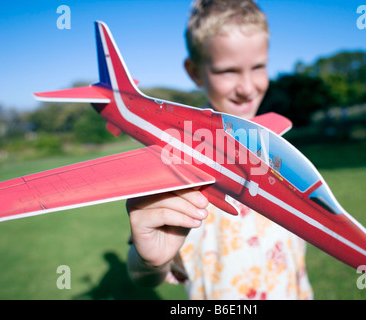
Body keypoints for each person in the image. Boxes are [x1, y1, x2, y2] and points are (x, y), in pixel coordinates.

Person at [126, 0, 313, 299]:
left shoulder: (278, 145)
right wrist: (150, 260)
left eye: (258, 67)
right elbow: (141, 276)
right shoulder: (176, 155)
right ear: (196, 72)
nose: (247, 87)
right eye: (228, 71)